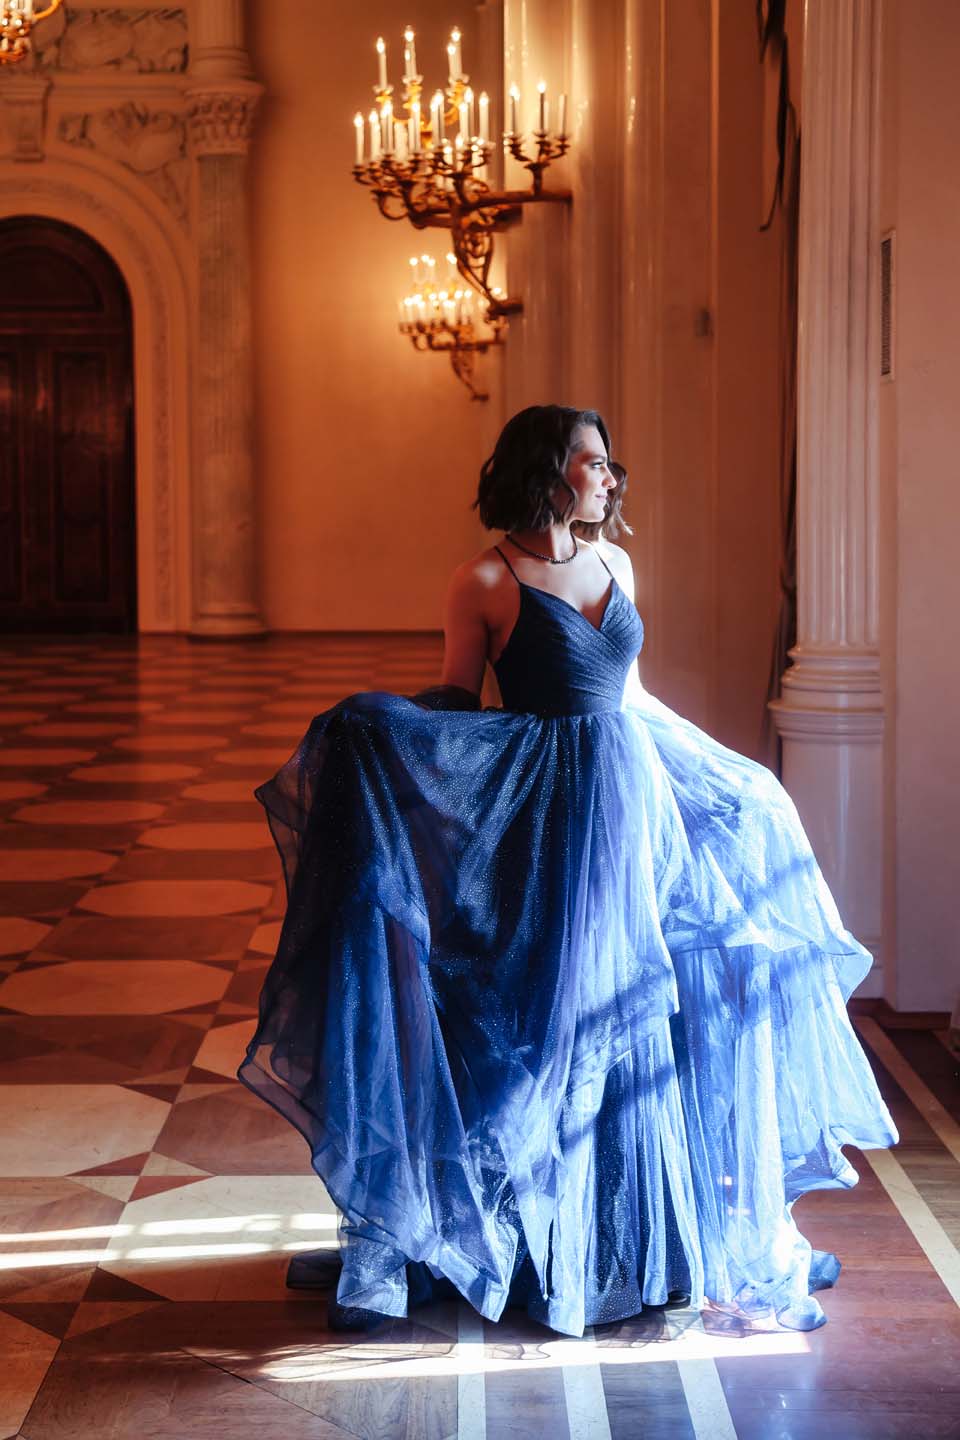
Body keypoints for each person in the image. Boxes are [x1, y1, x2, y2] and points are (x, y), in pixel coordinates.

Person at [238, 404, 898, 1338]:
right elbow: (460, 710)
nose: (608, 475)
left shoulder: (616, 565)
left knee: (645, 1008)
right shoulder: (482, 580)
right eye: (592, 462)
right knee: (560, 1014)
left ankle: (645, 1239)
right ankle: (525, 1238)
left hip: (636, 805)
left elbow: (631, 697)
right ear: (548, 472)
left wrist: (731, 777)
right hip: (548, 817)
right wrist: (381, 739)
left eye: (607, 462)